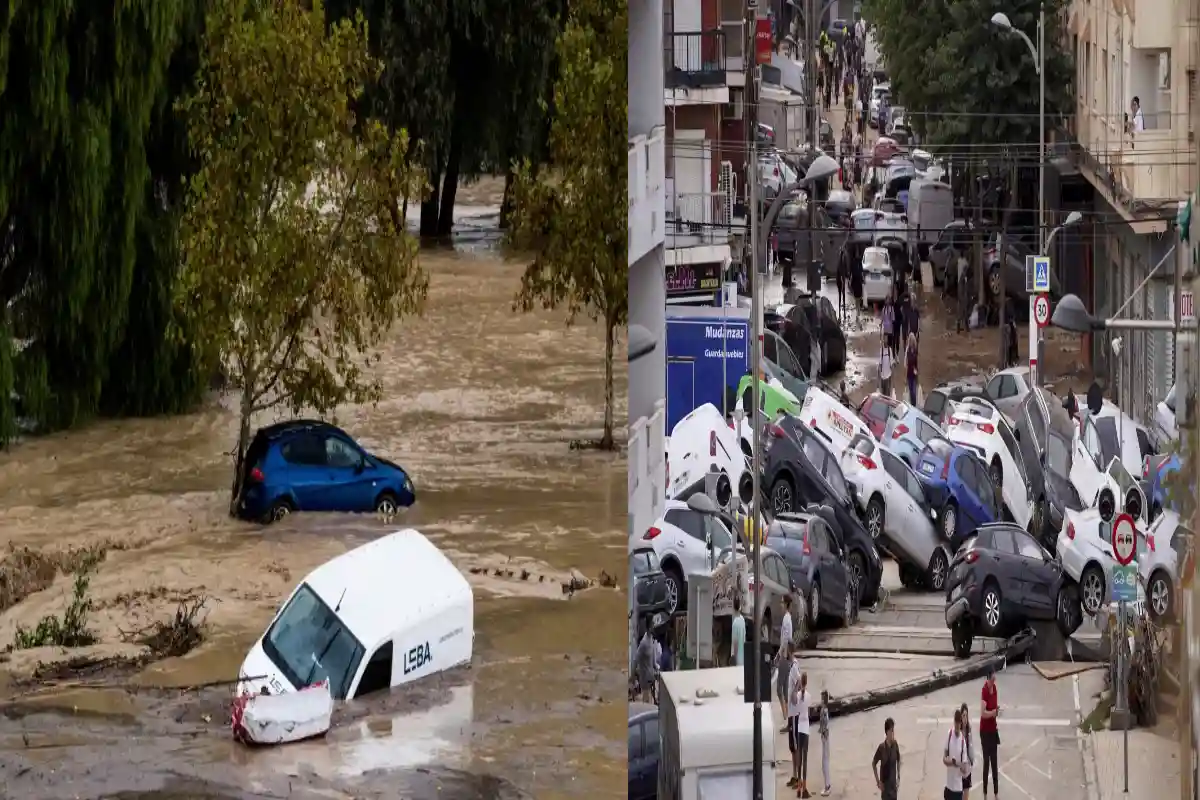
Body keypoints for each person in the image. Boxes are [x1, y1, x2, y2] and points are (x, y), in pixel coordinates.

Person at [979, 668, 1001, 798]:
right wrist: (993, 713)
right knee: (986, 762)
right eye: (992, 678)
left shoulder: (995, 689)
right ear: (988, 678)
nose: (994, 680)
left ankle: (996, 792)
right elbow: (983, 713)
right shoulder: (985, 691)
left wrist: (996, 711)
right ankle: (985, 792)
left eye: (994, 678)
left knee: (994, 762)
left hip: (993, 730)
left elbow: (993, 708)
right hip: (985, 732)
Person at [792, 668, 812, 798]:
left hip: (799, 728)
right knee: (805, 760)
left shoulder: (798, 695)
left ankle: (798, 789)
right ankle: (804, 788)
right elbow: (808, 713)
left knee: (798, 760)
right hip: (806, 729)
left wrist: (795, 687)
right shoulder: (809, 696)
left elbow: (795, 709)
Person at [777, 594, 795, 731]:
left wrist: (781, 654)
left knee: (780, 689)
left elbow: (787, 639)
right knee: (784, 689)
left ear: (787, 604)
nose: (780, 605)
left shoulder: (786, 619)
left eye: (782, 603)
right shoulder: (787, 619)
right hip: (785, 655)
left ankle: (786, 718)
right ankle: (788, 719)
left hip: (785, 656)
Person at [872, 717, 901, 800]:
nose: (893, 733)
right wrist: (878, 782)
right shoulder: (881, 748)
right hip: (885, 790)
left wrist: (898, 777)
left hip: (894, 788)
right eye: (892, 730)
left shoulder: (895, 744)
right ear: (887, 732)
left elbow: (898, 759)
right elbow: (873, 763)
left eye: (893, 730)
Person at [944, 707, 968, 800]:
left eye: (959, 723)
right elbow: (944, 759)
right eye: (956, 722)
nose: (957, 725)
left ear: (961, 723)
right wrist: (951, 762)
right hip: (948, 786)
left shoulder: (963, 742)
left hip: (958, 789)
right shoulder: (949, 734)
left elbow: (965, 770)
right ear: (954, 721)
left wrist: (957, 764)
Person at [634, 626, 658, 703]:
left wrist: (657, 669)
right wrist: (632, 675)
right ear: (648, 627)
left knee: (651, 701)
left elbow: (653, 660)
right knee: (646, 701)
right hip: (645, 678)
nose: (654, 627)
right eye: (652, 625)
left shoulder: (651, 639)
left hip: (651, 677)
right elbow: (636, 659)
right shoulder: (643, 643)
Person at [960, 702, 976, 800]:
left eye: (966, 715)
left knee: (966, 795)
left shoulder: (969, 729)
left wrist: (972, 759)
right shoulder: (958, 732)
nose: (965, 718)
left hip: (968, 768)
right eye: (963, 716)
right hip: (960, 769)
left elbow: (971, 745)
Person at [818, 689, 832, 796]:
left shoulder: (824, 711)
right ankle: (827, 784)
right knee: (824, 762)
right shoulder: (824, 710)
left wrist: (823, 731)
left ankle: (827, 786)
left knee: (825, 763)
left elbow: (825, 723)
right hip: (824, 737)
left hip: (825, 738)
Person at [731, 594, 746, 666]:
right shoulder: (742, 619)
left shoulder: (735, 622)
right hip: (743, 654)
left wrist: (735, 657)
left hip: (738, 658)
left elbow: (735, 642)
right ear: (740, 607)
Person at [905, 332, 919, 405]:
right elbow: (906, 362)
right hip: (909, 372)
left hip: (914, 373)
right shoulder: (908, 350)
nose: (910, 341)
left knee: (913, 391)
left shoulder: (915, 350)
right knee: (910, 390)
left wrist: (916, 370)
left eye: (911, 340)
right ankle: (912, 405)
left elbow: (916, 362)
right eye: (910, 340)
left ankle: (914, 404)